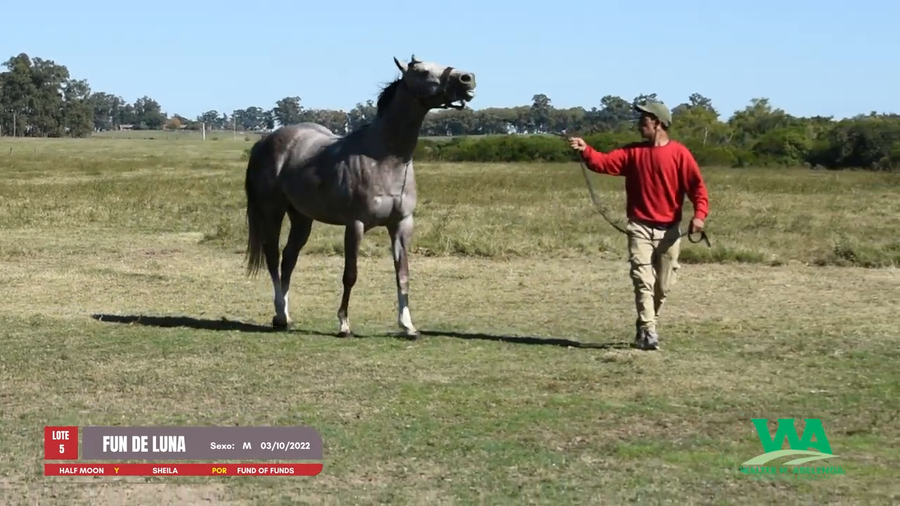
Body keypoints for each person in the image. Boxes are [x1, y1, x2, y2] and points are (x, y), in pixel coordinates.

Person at [567, 101, 709, 351]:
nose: (638, 125)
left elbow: (697, 188)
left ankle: (646, 323)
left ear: (658, 123)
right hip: (639, 227)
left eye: (644, 120)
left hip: (670, 230)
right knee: (643, 280)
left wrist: (699, 215)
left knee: (663, 287)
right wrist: (586, 149)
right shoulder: (633, 153)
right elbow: (603, 162)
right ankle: (648, 330)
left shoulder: (680, 154)